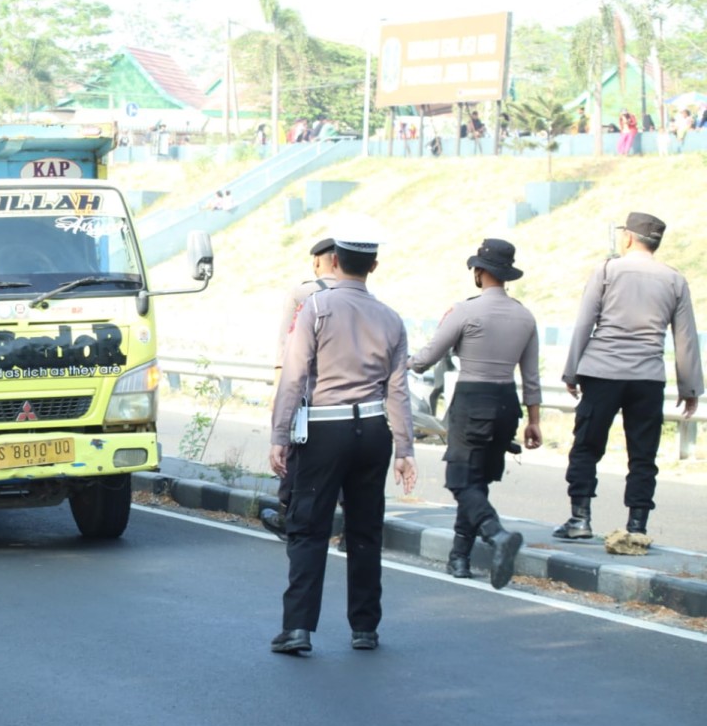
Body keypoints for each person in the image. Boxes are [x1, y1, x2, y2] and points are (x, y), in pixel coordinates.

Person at [268, 217, 416, 656]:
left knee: (308, 527)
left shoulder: (316, 308)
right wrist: (404, 448)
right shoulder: (391, 318)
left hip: (324, 429)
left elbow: (294, 376)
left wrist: (280, 435)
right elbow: (398, 389)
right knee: (366, 529)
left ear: (333, 261)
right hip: (373, 429)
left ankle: (298, 629)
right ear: (373, 265)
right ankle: (365, 628)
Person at [555, 212, 702, 541]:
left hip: (601, 373)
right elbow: (685, 337)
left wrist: (571, 370)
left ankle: (579, 519)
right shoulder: (674, 279)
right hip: (647, 378)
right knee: (643, 455)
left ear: (628, 238)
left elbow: (584, 322)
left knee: (587, 448)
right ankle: (637, 527)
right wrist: (690, 386)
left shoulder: (607, 270)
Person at [408, 239, 542, 589]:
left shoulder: (465, 311)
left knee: (459, 479)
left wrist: (401, 364)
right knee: (477, 480)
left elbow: (426, 359)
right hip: (507, 404)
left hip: (472, 401)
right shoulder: (525, 316)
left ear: (480, 272)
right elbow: (531, 376)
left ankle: (495, 534)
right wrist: (534, 420)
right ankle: (459, 557)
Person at [263, 238, 342, 546]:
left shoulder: (302, 293)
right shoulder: (364, 296)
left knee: (294, 453)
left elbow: (286, 345)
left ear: (321, 262)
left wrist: (278, 385)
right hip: (348, 396)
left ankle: (287, 515)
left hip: (307, 391)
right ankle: (349, 528)